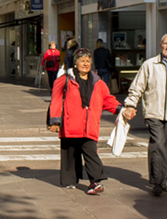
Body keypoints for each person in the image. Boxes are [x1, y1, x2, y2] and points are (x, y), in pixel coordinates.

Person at [123, 34, 167, 197]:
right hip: (154, 113)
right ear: (160, 45)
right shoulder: (150, 65)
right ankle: (156, 181)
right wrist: (130, 104)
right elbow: (137, 87)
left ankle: (164, 180)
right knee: (157, 144)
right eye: (165, 44)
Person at [47, 48, 123, 195]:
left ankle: (95, 181)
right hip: (70, 123)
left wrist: (120, 109)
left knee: (91, 153)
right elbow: (56, 100)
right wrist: (55, 121)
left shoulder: (98, 82)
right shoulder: (65, 79)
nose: (85, 64)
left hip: (89, 125)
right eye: (82, 61)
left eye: (88, 61)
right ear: (75, 63)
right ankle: (70, 180)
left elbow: (107, 100)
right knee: (70, 153)